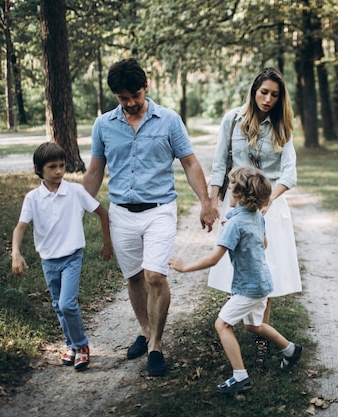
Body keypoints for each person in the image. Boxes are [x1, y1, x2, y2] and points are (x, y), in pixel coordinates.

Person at [83, 58, 219, 377]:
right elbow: (95, 170)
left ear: (147, 86)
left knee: (155, 276)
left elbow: (189, 163)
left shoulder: (169, 120)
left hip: (159, 210)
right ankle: (145, 330)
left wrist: (205, 202)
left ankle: (156, 344)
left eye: (134, 95)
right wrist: (75, 206)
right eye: (122, 98)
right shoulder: (103, 125)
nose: (130, 103)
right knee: (133, 277)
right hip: (121, 213)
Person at [169, 166, 302, 393]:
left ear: (239, 195)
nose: (228, 192)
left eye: (230, 188)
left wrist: (185, 267)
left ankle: (240, 377)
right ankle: (290, 349)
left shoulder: (235, 224)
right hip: (262, 284)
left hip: (248, 288)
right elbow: (265, 243)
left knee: (222, 324)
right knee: (254, 326)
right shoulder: (256, 217)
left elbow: (214, 259)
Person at [208, 67, 301, 327]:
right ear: (254, 90)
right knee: (235, 264)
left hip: (269, 204)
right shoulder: (232, 119)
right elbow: (218, 165)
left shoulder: (283, 127)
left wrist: (269, 200)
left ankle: (260, 329)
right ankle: (230, 324)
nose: (268, 99)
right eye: (264, 92)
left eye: (274, 95)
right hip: (237, 204)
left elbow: (289, 174)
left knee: (265, 266)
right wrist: (212, 202)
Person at [11, 142, 113, 372]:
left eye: (62, 165)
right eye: (52, 167)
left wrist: (107, 243)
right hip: (48, 260)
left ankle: (82, 346)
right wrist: (15, 252)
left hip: (72, 257)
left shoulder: (75, 191)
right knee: (59, 306)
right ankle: (71, 345)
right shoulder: (33, 198)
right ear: (39, 169)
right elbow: (20, 227)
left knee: (67, 304)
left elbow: (102, 213)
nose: (59, 171)